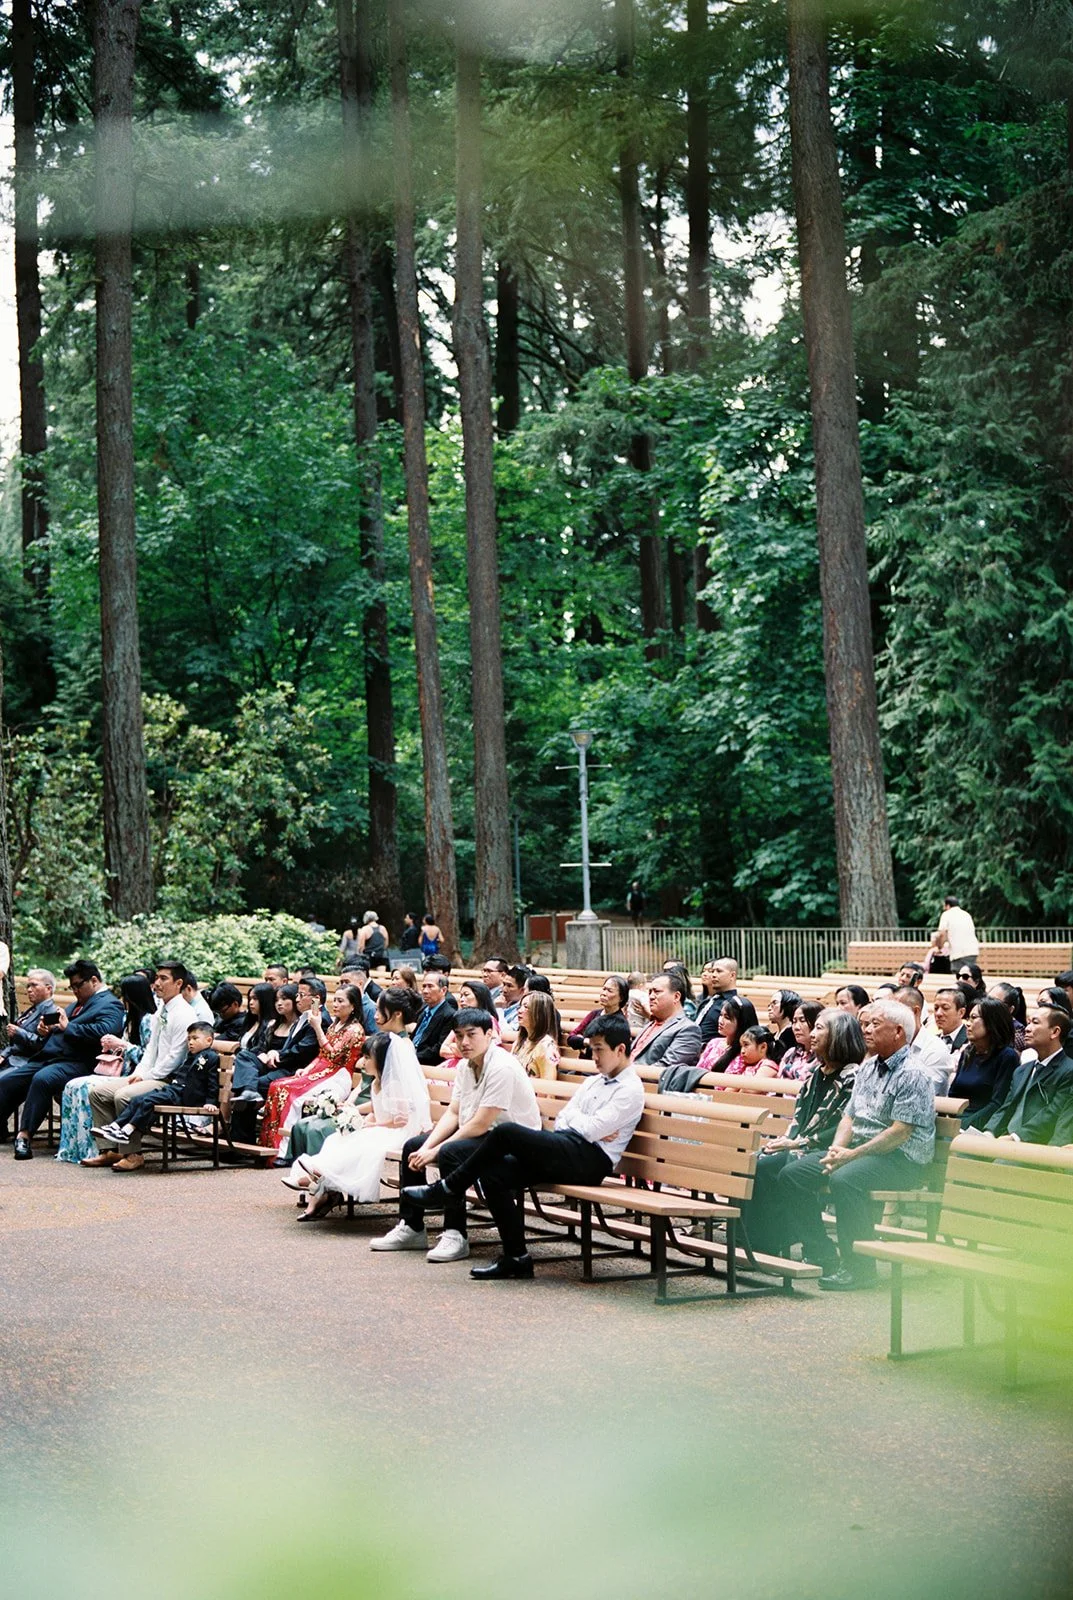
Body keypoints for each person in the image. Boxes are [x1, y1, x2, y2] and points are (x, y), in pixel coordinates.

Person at [403, 1013, 645, 1280]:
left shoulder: (630, 1089)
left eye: (599, 1050)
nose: (594, 1057)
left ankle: (449, 1188)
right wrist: (587, 1124)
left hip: (591, 1162)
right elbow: (567, 1119)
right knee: (494, 1173)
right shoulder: (593, 1081)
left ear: (621, 1049)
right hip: (569, 1147)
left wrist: (586, 1124)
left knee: (506, 1132)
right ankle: (517, 1258)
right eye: (592, 1049)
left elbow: (588, 1130)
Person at [776, 999, 936, 1290]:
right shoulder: (869, 1067)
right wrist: (837, 1150)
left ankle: (861, 1269)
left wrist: (849, 1157)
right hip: (862, 1152)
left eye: (875, 1024)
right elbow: (849, 1115)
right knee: (793, 1175)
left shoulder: (913, 1074)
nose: (866, 1029)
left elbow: (900, 1133)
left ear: (898, 1031)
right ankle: (823, 1252)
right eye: (866, 1023)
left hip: (902, 1160)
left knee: (845, 1179)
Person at [371, 1006, 541, 1263]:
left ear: (489, 1034)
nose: (463, 1042)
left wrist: (436, 1151)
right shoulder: (465, 1066)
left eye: (471, 1035)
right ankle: (412, 1226)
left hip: (512, 1142)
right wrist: (426, 1146)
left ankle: (455, 1233)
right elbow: (453, 1112)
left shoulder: (502, 1067)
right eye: (459, 1035)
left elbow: (481, 1124)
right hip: (482, 1136)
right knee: (412, 1147)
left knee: (451, 1152)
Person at [290, 988, 431, 1219]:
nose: (374, 1015)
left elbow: (402, 1112)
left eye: (379, 1010)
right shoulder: (390, 1042)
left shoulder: (399, 1047)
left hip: (401, 1128)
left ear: (395, 1015)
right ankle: (320, 1179)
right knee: (341, 1137)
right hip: (388, 1121)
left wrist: (370, 1123)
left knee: (359, 1138)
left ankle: (319, 1178)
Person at [737, 1007, 864, 1257]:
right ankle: (760, 1244)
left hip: (829, 1150)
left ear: (839, 1036)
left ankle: (815, 1248)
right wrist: (788, 1139)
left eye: (819, 1028)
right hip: (803, 1145)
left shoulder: (853, 1078)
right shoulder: (817, 1074)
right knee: (755, 1163)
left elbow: (841, 1126)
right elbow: (800, 1117)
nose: (812, 1034)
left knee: (785, 1171)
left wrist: (796, 1144)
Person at [0, 961, 125, 1163]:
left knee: (42, 1079)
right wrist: (46, 1029)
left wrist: (68, 1028)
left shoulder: (111, 1003)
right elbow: (60, 1025)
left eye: (77, 985)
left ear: (93, 980)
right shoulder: (77, 1003)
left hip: (79, 1062)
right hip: (50, 1057)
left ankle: (24, 1136)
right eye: (72, 987)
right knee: (8, 1080)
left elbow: (106, 1031)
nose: (75, 990)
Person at [83, 962, 197, 1172]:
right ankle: (109, 1151)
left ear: (179, 983)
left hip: (170, 1080)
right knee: (97, 1093)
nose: (157, 983)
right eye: (157, 978)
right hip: (152, 1075)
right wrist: (139, 1073)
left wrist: (147, 1076)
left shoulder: (184, 1014)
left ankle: (133, 1154)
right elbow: (151, 1049)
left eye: (164, 979)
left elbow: (175, 1057)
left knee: (123, 1095)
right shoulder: (161, 1010)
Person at [57, 973, 157, 1165]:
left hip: (141, 1075)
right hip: (122, 1071)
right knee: (74, 1085)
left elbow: (148, 1056)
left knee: (89, 1087)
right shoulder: (127, 1017)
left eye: (124, 995)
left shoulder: (149, 1021)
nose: (121, 1000)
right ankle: (100, 1148)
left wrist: (124, 1046)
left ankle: (112, 1149)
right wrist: (112, 1046)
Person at [259, 982, 364, 1156]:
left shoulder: (355, 1029)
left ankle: (286, 1150)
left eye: (340, 1001)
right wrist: (307, 1069)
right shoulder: (334, 1025)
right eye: (335, 1000)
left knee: (289, 1092)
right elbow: (321, 1055)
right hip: (320, 1070)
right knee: (276, 1086)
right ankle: (273, 1145)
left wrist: (316, 1027)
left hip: (338, 1075)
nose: (335, 1005)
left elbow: (333, 1055)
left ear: (352, 1006)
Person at [94, 1022, 221, 1156]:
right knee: (139, 1099)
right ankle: (116, 1126)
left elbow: (213, 1083)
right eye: (189, 1039)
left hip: (184, 1096)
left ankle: (127, 1130)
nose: (190, 1042)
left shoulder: (211, 1057)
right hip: (174, 1090)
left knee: (150, 1101)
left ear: (208, 1040)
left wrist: (210, 1102)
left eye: (195, 1038)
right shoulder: (191, 1056)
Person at [979, 1007, 1073, 1145]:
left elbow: (1052, 1113)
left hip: (1034, 1146)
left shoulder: (1068, 1070)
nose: (1027, 1028)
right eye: (1028, 1022)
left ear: (1054, 1032)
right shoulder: (1021, 1070)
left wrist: (1016, 1137)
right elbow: (1006, 1107)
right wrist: (990, 1132)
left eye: (1035, 1022)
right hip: (1004, 1141)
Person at [949, 998, 1020, 1128]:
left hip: (981, 1127)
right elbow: (953, 1094)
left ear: (992, 1022)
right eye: (968, 1018)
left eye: (973, 1018)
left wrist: (964, 1125)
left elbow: (998, 1103)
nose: (967, 1024)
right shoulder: (968, 1053)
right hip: (956, 1121)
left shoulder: (1007, 1056)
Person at [630, 972, 703, 1084]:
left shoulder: (688, 1029)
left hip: (646, 1087)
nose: (651, 996)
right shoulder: (651, 1023)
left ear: (676, 997)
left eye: (657, 992)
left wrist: (623, 1073)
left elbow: (665, 1069)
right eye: (649, 992)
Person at [893, 986, 954, 1092]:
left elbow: (923, 1094)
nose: (890, 1017)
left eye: (896, 1010)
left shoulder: (936, 1049)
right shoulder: (889, 1043)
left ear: (915, 1011)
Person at [695, 996, 760, 1077]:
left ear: (741, 1022)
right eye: (721, 1015)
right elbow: (697, 1071)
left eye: (727, 1017)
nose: (720, 1021)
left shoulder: (746, 1052)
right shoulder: (714, 1043)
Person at [566, 976, 629, 1055]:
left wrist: (583, 1042)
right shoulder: (594, 1014)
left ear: (621, 998)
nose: (603, 993)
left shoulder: (620, 1023)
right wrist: (586, 1041)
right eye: (604, 989)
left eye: (610, 991)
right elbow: (571, 1038)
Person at [411, 969, 458, 1065]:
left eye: (430, 986)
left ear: (443, 990)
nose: (425, 991)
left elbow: (437, 1049)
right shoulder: (424, 1010)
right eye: (424, 986)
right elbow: (415, 1037)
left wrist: (412, 1056)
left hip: (426, 1063)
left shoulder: (450, 1015)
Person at [513, 991, 561, 1080]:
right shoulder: (520, 1041)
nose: (519, 1010)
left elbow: (548, 1088)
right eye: (520, 1006)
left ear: (539, 1014)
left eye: (526, 1007)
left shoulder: (547, 1046)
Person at [776, 1001, 823, 1081]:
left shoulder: (824, 1057)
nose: (796, 1027)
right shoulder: (790, 1053)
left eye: (802, 1020)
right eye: (794, 1022)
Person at [696, 958, 739, 1043]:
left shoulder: (734, 1005)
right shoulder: (708, 1001)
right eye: (712, 971)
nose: (713, 975)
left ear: (732, 975)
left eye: (719, 971)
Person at [932, 896, 979, 972]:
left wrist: (939, 947)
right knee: (970, 975)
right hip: (972, 950)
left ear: (947, 905)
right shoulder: (966, 914)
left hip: (959, 952)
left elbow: (942, 934)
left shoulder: (946, 914)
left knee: (960, 977)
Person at [988, 982, 1028, 1054]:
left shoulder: (1017, 1034)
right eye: (987, 999)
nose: (987, 1004)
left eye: (994, 1001)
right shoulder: (983, 1024)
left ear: (1010, 1009)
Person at [766, 989, 802, 1064]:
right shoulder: (774, 1035)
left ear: (787, 1005)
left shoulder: (792, 1034)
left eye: (774, 1003)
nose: (769, 1008)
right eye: (769, 1005)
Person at [932, 986, 969, 1059]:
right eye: (936, 1008)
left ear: (961, 1012)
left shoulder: (970, 1040)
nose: (938, 1013)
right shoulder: (932, 1040)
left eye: (945, 1008)